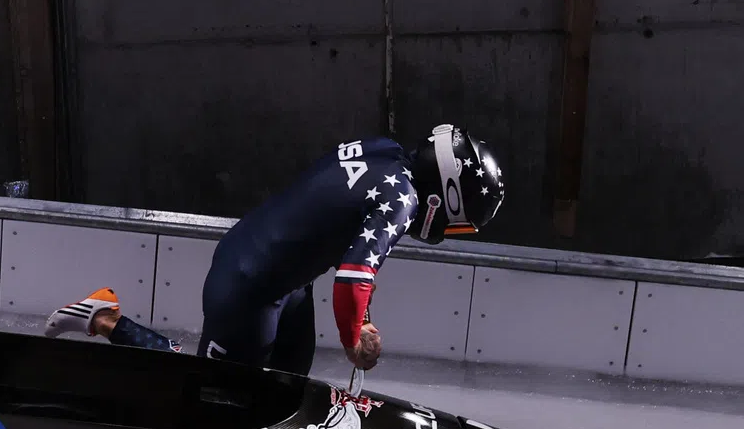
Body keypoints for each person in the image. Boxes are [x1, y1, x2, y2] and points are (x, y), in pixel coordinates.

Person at [45, 124, 504, 377]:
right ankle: (104, 317)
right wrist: (354, 340)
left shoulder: (382, 148)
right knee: (208, 393)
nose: (450, 228)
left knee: (286, 391)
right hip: (248, 288)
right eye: (459, 219)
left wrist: (361, 319)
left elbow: (346, 235)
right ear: (444, 196)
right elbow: (351, 282)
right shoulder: (400, 201)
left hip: (283, 279)